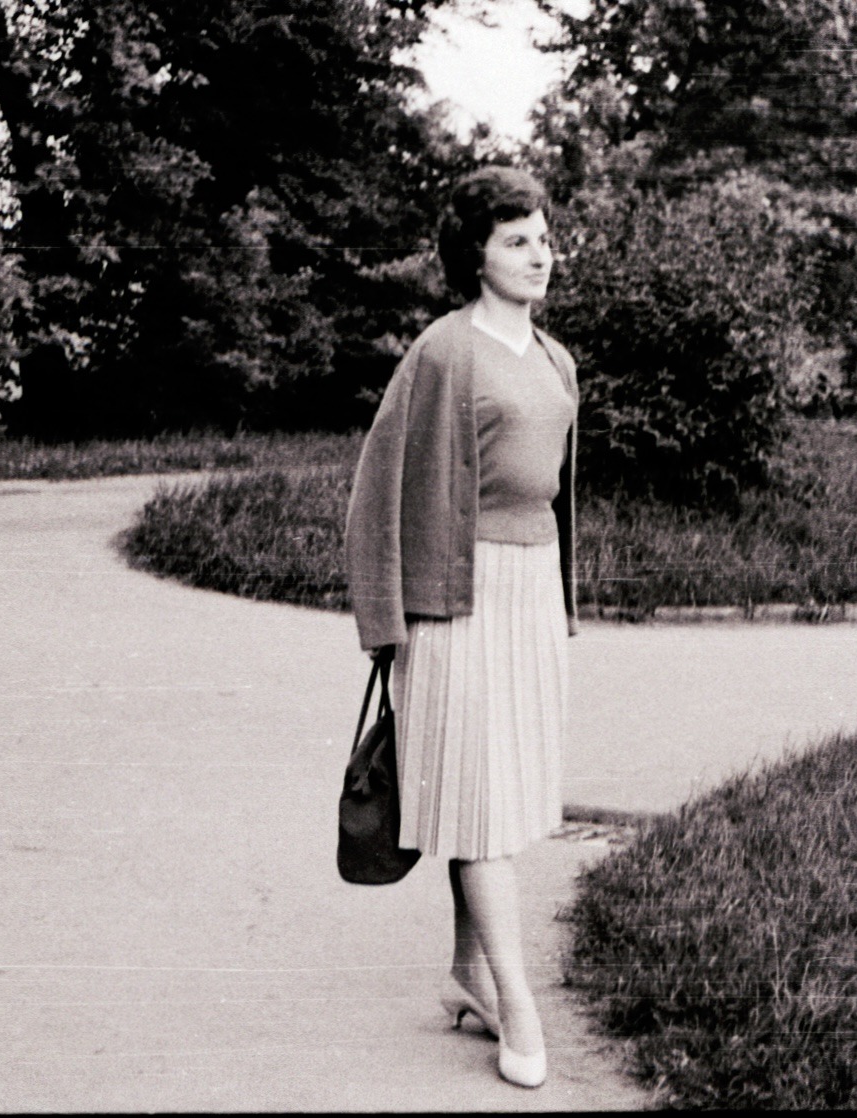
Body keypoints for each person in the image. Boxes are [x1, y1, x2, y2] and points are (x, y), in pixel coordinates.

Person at [343, 166, 579, 1089]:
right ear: (475, 256)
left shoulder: (557, 360)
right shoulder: (444, 353)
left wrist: (560, 605)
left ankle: (469, 972)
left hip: (526, 599)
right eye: (516, 240)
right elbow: (377, 487)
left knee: (497, 799)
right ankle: (521, 1010)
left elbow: (558, 498)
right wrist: (385, 620)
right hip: (457, 599)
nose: (538, 255)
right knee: (476, 804)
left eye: (544, 238)